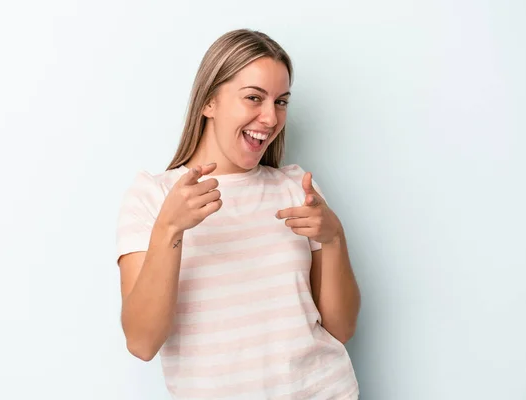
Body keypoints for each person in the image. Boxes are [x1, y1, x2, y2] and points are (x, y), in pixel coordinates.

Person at [115, 28, 361, 400]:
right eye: (253, 98)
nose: (270, 118)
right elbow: (142, 342)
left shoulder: (297, 188)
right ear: (209, 102)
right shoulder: (154, 196)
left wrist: (334, 237)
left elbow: (341, 329)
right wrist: (170, 228)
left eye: (281, 102)